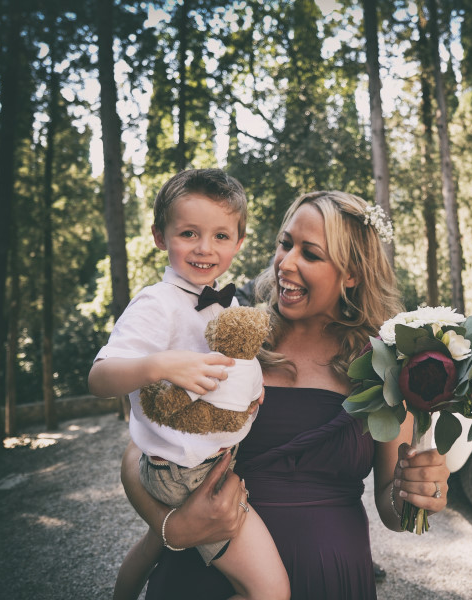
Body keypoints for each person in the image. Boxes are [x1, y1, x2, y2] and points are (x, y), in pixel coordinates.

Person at [120, 190, 450, 599]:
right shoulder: (230, 334)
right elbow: (139, 451)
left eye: (310, 254)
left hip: (330, 579)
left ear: (351, 273)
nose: (285, 263)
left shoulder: (386, 365)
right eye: (285, 243)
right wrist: (172, 527)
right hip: (207, 575)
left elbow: (391, 510)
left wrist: (415, 493)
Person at [89, 168, 289, 600]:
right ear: (159, 236)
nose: (204, 248)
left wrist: (251, 388)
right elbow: (99, 377)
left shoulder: (224, 302)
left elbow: (233, 363)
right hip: (185, 473)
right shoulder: (156, 304)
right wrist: (159, 365)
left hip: (206, 458)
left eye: (221, 236)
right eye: (188, 233)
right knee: (272, 591)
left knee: (156, 544)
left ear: (239, 242)